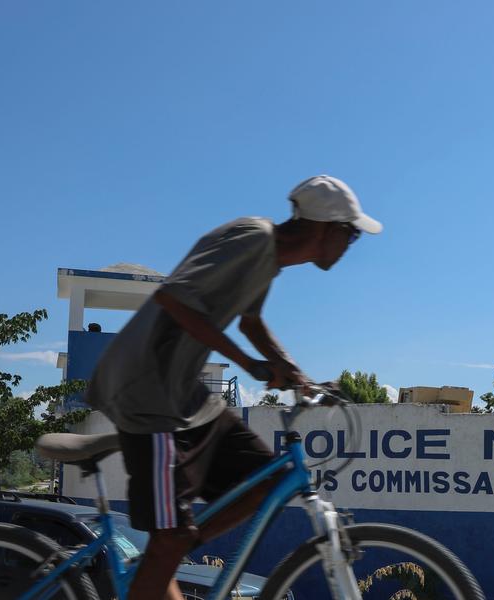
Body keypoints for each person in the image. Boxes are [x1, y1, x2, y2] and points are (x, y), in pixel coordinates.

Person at [82, 175, 381, 599]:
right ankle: (169, 550)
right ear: (324, 227)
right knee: (168, 539)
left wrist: (294, 373)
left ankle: (173, 550)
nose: (352, 243)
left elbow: (251, 322)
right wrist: (249, 364)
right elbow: (174, 298)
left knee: (267, 481)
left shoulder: (269, 260)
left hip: (186, 395)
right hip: (147, 392)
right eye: (350, 233)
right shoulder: (253, 237)